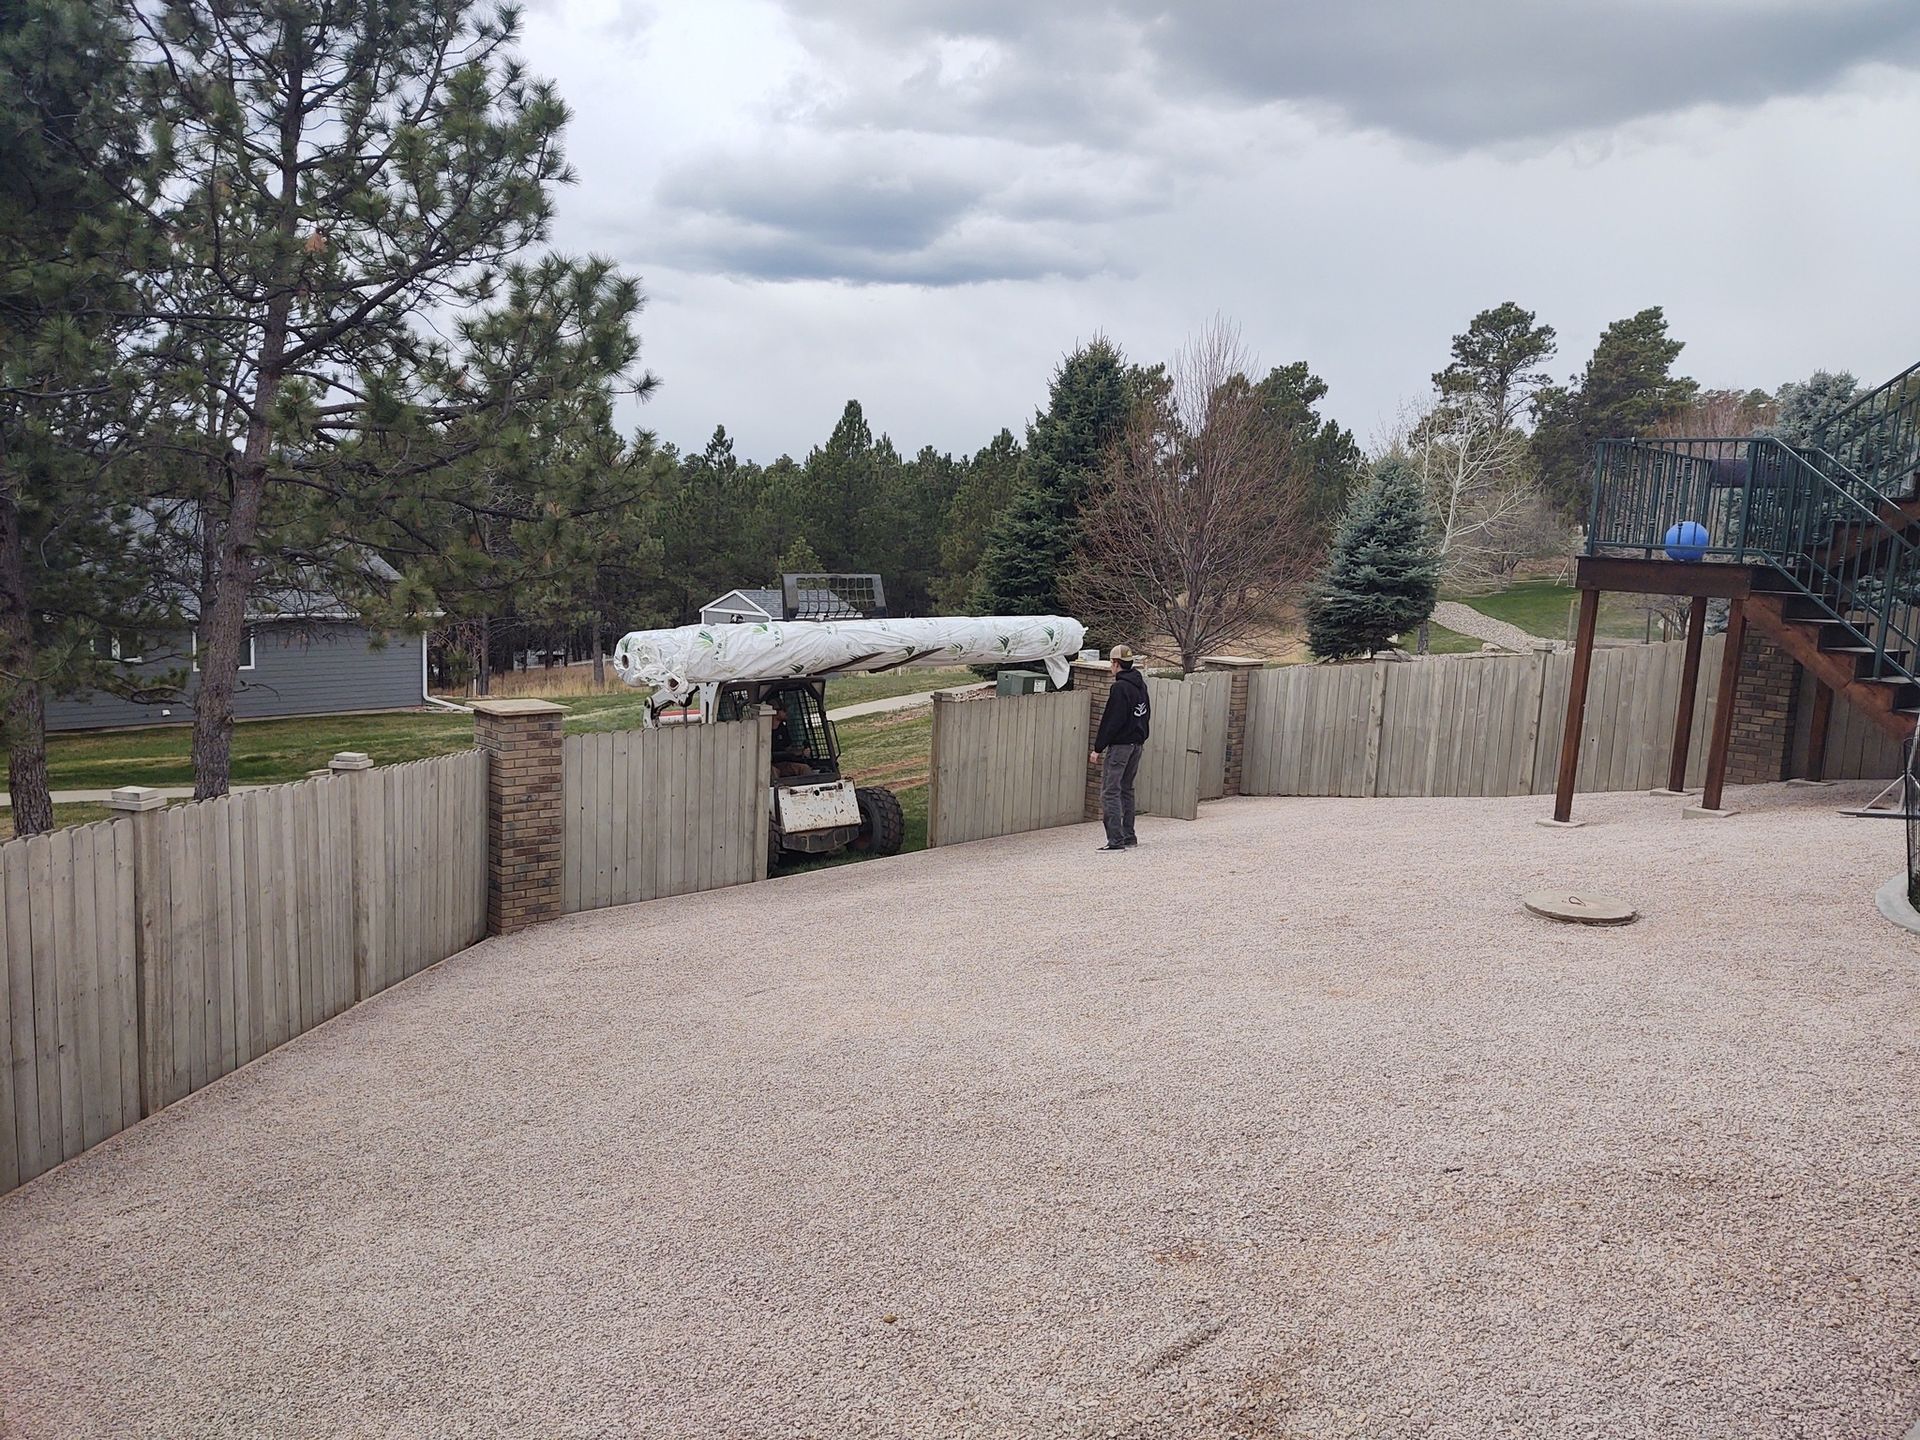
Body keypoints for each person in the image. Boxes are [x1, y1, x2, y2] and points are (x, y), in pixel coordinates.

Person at [1089, 645, 1150, 851]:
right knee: (1127, 789)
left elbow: (1111, 721)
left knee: (1110, 791)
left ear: (1116, 664)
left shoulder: (1119, 688)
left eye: (1111, 663)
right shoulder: (1140, 685)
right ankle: (1129, 836)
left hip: (1120, 747)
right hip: (1137, 745)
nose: (1111, 667)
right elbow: (1145, 713)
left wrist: (1098, 748)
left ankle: (1115, 840)